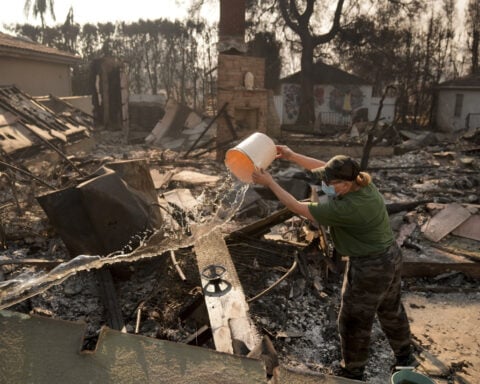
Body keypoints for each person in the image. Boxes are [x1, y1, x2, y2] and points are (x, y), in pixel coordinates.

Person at [251, 145, 414, 381]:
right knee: (390, 310)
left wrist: (271, 183)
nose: (326, 185)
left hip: (371, 266)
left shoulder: (348, 207)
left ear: (345, 184)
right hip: (390, 256)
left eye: (331, 183)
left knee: (353, 320)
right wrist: (292, 155)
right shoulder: (363, 182)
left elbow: (298, 207)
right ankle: (406, 359)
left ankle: (353, 372)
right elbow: (321, 168)